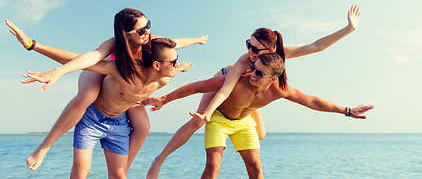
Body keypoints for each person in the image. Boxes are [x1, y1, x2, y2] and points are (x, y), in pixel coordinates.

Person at [146, 5, 361, 178]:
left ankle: (240, 112)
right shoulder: (244, 63)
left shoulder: (278, 62)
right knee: (198, 121)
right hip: (226, 82)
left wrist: (349, 29)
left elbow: (317, 46)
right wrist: (200, 111)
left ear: (271, 50)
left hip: (257, 88)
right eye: (249, 44)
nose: (250, 51)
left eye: (256, 49)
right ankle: (159, 161)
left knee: (260, 134)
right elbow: (221, 89)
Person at [5, 8, 207, 173]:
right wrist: (47, 61)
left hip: (132, 84)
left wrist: (196, 40)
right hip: (103, 69)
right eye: (141, 30)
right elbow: (86, 59)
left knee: (143, 125)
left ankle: (123, 169)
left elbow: (177, 44)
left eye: (148, 26)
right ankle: (45, 146)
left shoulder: (153, 44)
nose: (147, 32)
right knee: (88, 95)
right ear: (126, 35)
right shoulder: (114, 45)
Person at [143, 53, 374, 179]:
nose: (253, 74)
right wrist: (164, 100)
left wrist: (346, 110)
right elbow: (195, 87)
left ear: (272, 79)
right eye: (253, 68)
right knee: (213, 165)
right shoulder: (235, 81)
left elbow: (312, 101)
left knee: (255, 168)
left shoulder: (280, 90)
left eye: (260, 73)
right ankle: (158, 161)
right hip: (220, 120)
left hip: (244, 122)